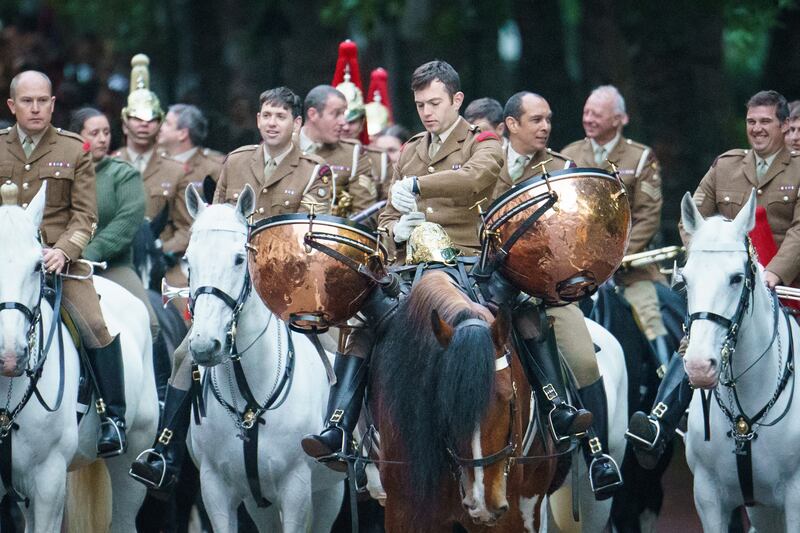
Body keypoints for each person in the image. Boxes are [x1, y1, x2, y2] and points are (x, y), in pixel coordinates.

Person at [130, 86, 333, 495]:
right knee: (186, 352)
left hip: (289, 287)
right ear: (258, 120)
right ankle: (165, 450)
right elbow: (212, 221)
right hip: (231, 286)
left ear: (296, 124)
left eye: (280, 117)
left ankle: (346, 435)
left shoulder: (315, 171)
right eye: (265, 115)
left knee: (334, 347)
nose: (271, 123)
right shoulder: (237, 162)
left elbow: (312, 235)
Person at [626, 90, 800, 468]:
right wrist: (705, 260)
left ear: (784, 126)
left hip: (786, 287)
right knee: (696, 340)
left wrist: (772, 273)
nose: (757, 129)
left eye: (766, 122)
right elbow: (693, 218)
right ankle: (659, 420)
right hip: (730, 289)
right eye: (752, 121)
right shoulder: (726, 167)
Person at [494, 91, 620, 490]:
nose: (545, 127)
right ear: (511, 125)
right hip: (488, 294)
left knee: (584, 360)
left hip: (546, 293)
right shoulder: (485, 166)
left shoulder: (562, 169)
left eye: (548, 119)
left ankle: (597, 454)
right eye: (536, 120)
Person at [1, 71, 127, 457]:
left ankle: (112, 418)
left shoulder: (74, 149)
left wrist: (63, 251)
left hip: (57, 262)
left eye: (43, 101)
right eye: (27, 101)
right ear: (12, 106)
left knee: (94, 324)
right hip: (6, 262)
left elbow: (85, 216)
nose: (36, 108)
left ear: (53, 104)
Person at [562, 85, 669, 365]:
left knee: (651, 319)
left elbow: (648, 217)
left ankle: (667, 396)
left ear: (619, 119)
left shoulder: (641, 157)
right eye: (586, 112)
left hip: (631, 270)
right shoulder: (568, 155)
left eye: (596, 114)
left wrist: (612, 258)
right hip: (578, 270)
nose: (588, 119)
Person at [70, 107, 160, 342]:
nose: (102, 139)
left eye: (106, 132)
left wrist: (88, 253)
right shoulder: (63, 173)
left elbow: (126, 224)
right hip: (65, 264)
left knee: (149, 323)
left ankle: (160, 379)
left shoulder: (123, 174)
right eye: (94, 133)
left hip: (112, 266)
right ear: (78, 136)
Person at [110, 54, 190, 290]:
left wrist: (157, 249)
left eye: (151, 118)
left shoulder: (177, 171)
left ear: (160, 124)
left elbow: (187, 228)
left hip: (163, 265)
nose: (144, 124)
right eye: (137, 118)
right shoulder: (107, 167)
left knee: (185, 318)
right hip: (116, 264)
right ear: (125, 123)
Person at [297, 85, 377, 216]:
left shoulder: (353, 155)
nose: (343, 122)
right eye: (336, 114)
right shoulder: (285, 147)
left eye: (343, 114)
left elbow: (365, 214)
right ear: (313, 114)